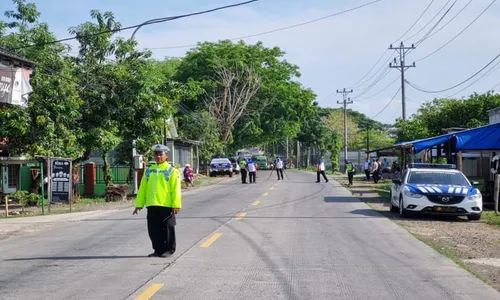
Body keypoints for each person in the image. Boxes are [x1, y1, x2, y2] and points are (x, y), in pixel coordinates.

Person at [133, 144, 182, 258]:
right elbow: (143, 188)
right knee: (154, 229)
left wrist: (176, 205)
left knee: (168, 229)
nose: (158, 156)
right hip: (152, 204)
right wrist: (139, 204)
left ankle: (169, 249)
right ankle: (158, 250)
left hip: (166, 205)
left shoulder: (171, 171)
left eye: (161, 154)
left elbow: (176, 190)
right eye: (156, 154)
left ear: (166, 156)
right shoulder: (149, 170)